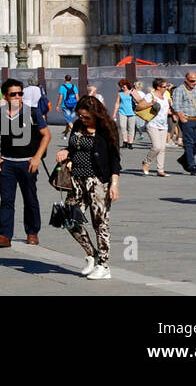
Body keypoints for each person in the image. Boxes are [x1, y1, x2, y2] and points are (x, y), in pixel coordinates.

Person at [55, 95, 121, 279]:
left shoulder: (107, 127)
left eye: (86, 117)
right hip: (76, 179)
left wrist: (114, 183)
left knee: (100, 223)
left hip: (98, 181)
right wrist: (66, 151)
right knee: (68, 217)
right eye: (81, 116)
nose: (83, 120)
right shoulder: (77, 126)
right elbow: (74, 148)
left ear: (96, 115)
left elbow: (115, 158)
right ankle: (92, 254)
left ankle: (104, 265)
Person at [0, 78, 52, 248]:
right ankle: (4, 235)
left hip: (28, 163)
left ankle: (32, 232)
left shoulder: (32, 112)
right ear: (5, 96)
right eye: (13, 94)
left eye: (20, 93)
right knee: (6, 200)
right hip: (7, 163)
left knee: (30, 198)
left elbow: (47, 135)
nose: (17, 97)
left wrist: (37, 157)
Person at [171, 71, 196, 176]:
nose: (194, 83)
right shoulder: (179, 90)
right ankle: (192, 166)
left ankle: (183, 159)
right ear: (186, 80)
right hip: (187, 120)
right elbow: (176, 105)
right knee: (189, 143)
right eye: (192, 81)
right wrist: (181, 116)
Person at [141, 79, 172, 177]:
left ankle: (160, 170)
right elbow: (139, 107)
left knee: (162, 148)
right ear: (158, 87)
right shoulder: (150, 96)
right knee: (157, 147)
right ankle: (147, 162)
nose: (166, 88)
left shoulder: (166, 95)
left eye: (166, 86)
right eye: (164, 86)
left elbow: (167, 109)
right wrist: (151, 104)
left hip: (163, 125)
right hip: (152, 124)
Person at [114, 79, 136, 148]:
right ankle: (125, 141)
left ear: (127, 85)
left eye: (124, 86)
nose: (122, 88)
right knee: (123, 127)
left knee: (131, 128)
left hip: (132, 112)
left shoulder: (132, 91)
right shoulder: (120, 93)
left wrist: (133, 95)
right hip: (122, 112)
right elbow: (117, 103)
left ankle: (130, 143)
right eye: (121, 86)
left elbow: (138, 100)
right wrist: (114, 113)